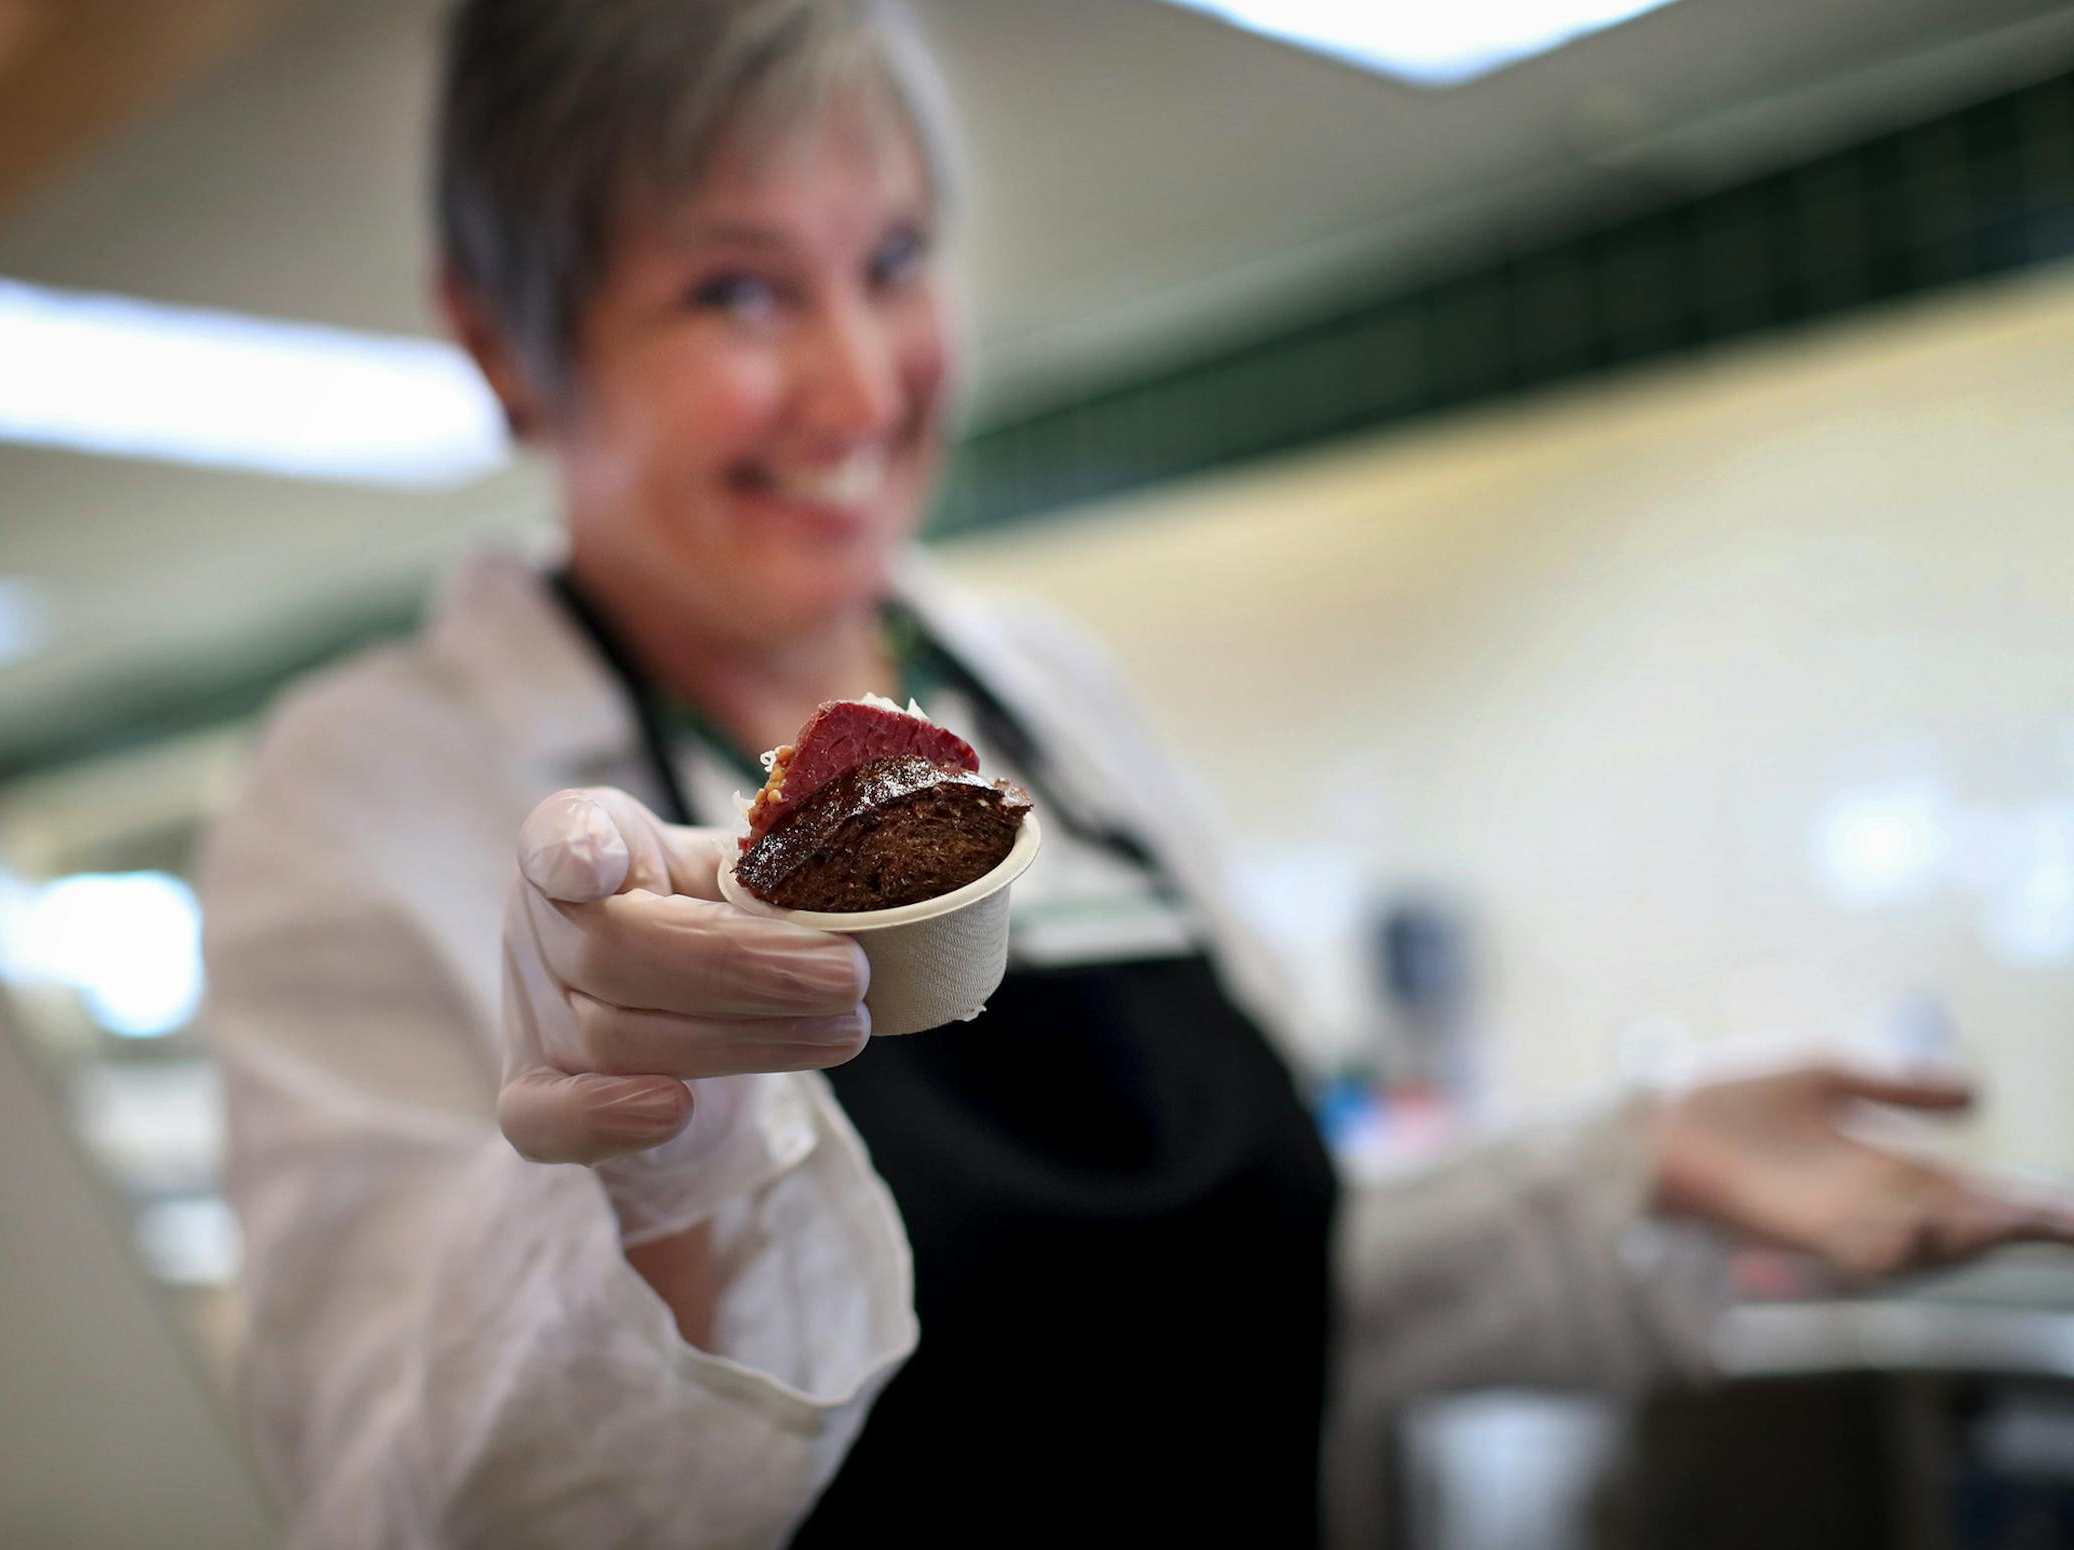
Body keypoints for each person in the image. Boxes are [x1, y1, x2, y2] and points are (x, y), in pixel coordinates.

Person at [199, 2, 2074, 1545]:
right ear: (504, 341)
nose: (858, 385)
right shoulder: (367, 791)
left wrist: (1630, 1164)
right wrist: (660, 1186)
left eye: (895, 262)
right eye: (736, 294)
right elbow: (407, 1506)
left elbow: (1251, 1288)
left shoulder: (1041, 695)